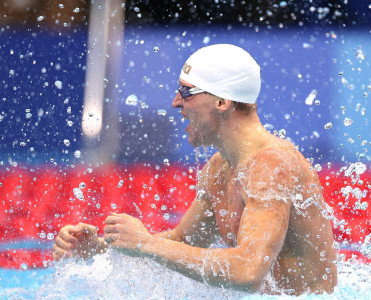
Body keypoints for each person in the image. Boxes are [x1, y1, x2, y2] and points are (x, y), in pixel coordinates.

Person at [52, 44, 337, 295]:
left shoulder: (270, 166)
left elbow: (249, 272)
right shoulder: (220, 166)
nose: (176, 102)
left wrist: (145, 244)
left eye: (186, 92)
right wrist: (104, 248)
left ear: (222, 101)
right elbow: (182, 242)